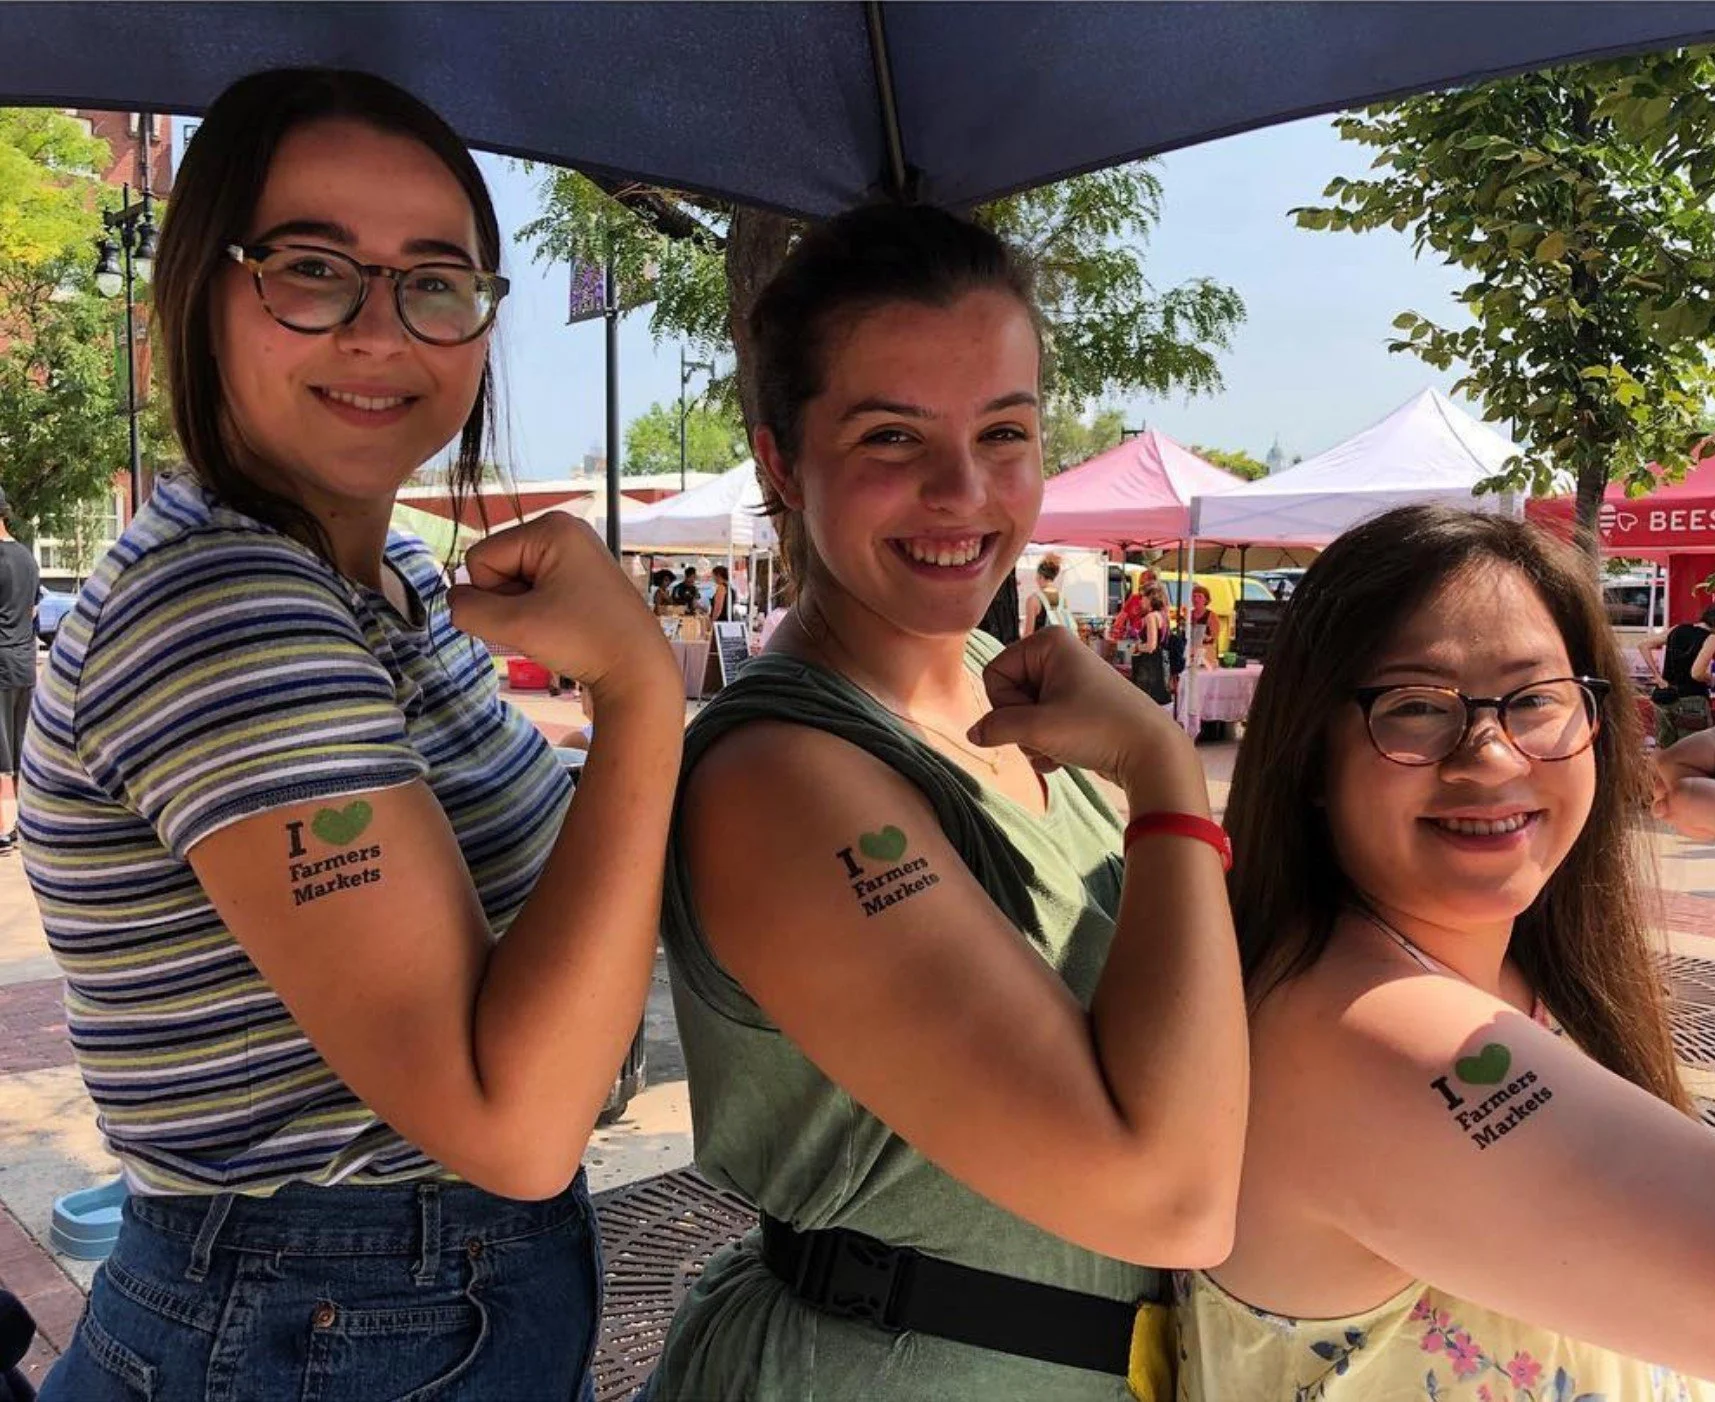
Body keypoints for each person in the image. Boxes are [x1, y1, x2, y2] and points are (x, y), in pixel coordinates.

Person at [18, 70, 683, 1401]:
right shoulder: (223, 605)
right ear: (204, 290)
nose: (382, 329)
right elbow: (514, 1124)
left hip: (384, 1307)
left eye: (436, 281)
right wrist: (645, 698)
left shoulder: (386, 583)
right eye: (313, 269)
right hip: (312, 1320)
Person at [644, 203, 1245, 1400]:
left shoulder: (1011, 692)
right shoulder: (781, 776)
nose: (963, 491)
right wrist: (1168, 783)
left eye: (1005, 431)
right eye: (889, 437)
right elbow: (1166, 1195)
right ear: (778, 460)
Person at [1179, 503, 1715, 1401]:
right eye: (1416, 707)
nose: (1492, 756)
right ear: (1310, 754)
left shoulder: (1500, 975)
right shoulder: (1373, 1039)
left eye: (1535, 699)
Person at [1638, 602, 1715, 748]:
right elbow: (1696, 673)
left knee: (1663, 749)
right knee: (1693, 751)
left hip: (1664, 698)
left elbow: (1644, 645)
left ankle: (1657, 772)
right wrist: (1710, 678)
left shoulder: (1677, 629)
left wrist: (1657, 676)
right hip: (1691, 700)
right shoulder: (1712, 638)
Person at [0, 487, 38, 854]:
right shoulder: (27, 557)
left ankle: (3, 830)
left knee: (1, 754)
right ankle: (22, 824)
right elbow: (31, 612)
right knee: (18, 746)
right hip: (24, 663)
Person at [1128, 580, 1173, 707]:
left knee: (1146, 705)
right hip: (1163, 664)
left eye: (1143, 597)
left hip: (1150, 668)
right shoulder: (1164, 615)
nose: (1141, 601)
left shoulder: (1151, 617)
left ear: (1151, 598)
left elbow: (1151, 646)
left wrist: (1136, 647)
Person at [1021, 551, 1076, 637]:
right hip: (1060, 648)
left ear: (1040, 576)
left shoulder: (1034, 600)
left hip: (1041, 648)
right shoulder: (1062, 598)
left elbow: (1028, 634)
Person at [1108, 567, 1157, 641]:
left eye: (1143, 584)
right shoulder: (1134, 598)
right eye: (1140, 584)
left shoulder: (1158, 601)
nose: (1140, 587)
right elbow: (1121, 617)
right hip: (1134, 639)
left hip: (1150, 641)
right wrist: (1115, 631)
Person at [1187, 583, 1227, 663]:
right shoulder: (1188, 614)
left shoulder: (1211, 616)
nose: (1196, 599)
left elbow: (1214, 636)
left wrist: (1206, 637)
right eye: (1194, 596)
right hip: (1190, 651)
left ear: (1206, 599)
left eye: (1199, 596)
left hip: (1206, 653)